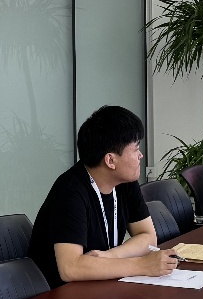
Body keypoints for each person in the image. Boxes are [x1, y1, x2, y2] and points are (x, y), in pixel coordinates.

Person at [27, 105, 177, 289]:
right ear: (110, 160)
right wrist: (142, 265)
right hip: (59, 295)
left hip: (99, 284)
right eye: (135, 148)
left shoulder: (125, 181)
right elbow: (70, 268)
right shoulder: (70, 192)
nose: (140, 155)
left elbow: (148, 237)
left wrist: (110, 256)